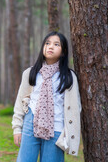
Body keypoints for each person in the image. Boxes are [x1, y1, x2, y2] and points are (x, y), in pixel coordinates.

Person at [12, 31, 81, 162]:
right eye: (47, 43)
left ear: (64, 51)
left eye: (56, 44)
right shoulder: (30, 73)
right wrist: (17, 128)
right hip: (30, 124)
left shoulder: (68, 77)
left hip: (56, 127)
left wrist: (69, 132)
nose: (50, 47)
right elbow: (20, 103)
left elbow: (75, 107)